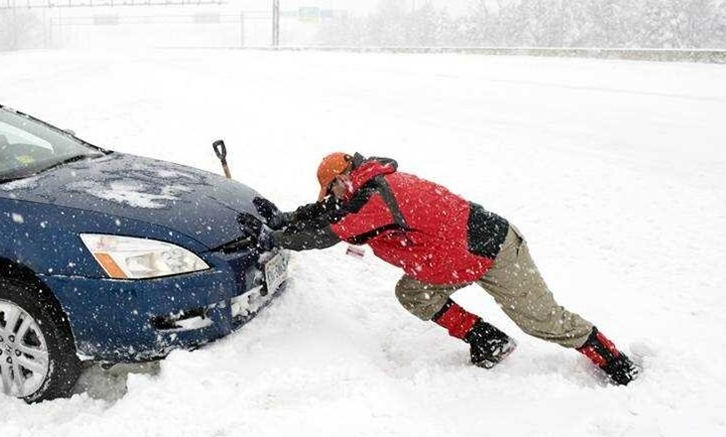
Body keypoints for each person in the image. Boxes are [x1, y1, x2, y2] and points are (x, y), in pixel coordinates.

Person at [240, 152, 639, 385]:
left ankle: (615, 363)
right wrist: (281, 219)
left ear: (345, 178)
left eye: (335, 189)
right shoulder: (364, 188)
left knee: (541, 320)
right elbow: (327, 213)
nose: (335, 197)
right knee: (413, 293)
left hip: (492, 250)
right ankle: (488, 341)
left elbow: (329, 232)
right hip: (450, 260)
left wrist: (275, 240)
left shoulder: (379, 194)